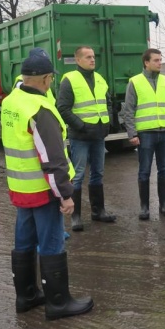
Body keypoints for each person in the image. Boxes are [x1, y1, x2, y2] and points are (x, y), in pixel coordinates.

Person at [2, 53, 93, 320]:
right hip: (43, 191)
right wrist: (65, 195)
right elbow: (52, 159)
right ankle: (58, 302)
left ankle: (27, 295)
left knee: (24, 240)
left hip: (21, 188)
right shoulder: (40, 109)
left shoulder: (12, 101)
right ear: (45, 78)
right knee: (52, 243)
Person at [58, 46, 116, 232]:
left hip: (98, 134)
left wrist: (107, 122)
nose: (92, 60)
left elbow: (107, 101)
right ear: (78, 60)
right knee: (78, 175)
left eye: (93, 57)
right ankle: (76, 217)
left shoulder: (99, 78)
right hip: (80, 136)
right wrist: (81, 126)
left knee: (98, 173)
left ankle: (99, 212)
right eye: (88, 57)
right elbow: (63, 108)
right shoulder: (70, 80)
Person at [123, 48, 165, 220]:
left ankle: (164, 205)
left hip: (164, 132)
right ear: (146, 63)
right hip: (145, 133)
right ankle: (144, 208)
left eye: (160, 60)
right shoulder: (135, 82)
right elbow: (128, 110)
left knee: (164, 169)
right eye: (156, 60)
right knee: (144, 170)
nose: (159, 63)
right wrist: (132, 133)